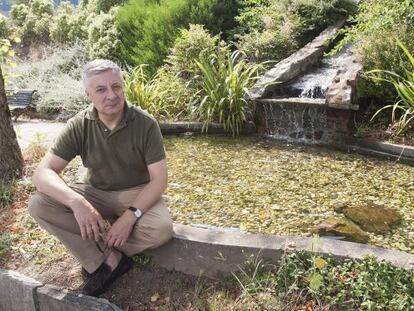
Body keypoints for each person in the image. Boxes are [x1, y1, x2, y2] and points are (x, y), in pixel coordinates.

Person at [28, 59, 173, 297]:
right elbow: (42, 172)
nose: (111, 95)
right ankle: (107, 260)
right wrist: (78, 203)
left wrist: (129, 218)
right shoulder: (79, 124)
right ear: (88, 94)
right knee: (40, 205)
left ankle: (99, 253)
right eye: (101, 89)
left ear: (123, 86)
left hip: (135, 192)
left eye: (116, 86)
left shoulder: (145, 124)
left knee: (161, 230)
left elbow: (159, 180)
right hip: (95, 193)